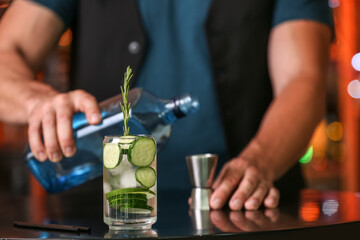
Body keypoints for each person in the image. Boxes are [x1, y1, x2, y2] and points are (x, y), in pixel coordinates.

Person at [0, 0, 332, 211]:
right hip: (102, 217)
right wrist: (39, 103)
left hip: (244, 213)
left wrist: (260, 161)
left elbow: (303, 79)